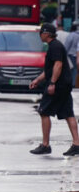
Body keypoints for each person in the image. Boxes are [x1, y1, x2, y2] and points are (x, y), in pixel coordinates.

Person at [29, 22, 79, 156]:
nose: (40, 35)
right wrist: (38, 80)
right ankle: (77, 144)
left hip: (58, 86)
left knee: (44, 111)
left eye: (41, 32)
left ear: (46, 34)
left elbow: (58, 65)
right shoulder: (55, 46)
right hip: (63, 85)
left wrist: (52, 83)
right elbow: (50, 69)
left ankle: (45, 145)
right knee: (68, 113)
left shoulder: (55, 47)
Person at [65, 21, 79, 88]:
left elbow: (67, 45)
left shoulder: (72, 35)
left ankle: (72, 83)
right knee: (76, 70)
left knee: (71, 70)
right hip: (77, 55)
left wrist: (64, 53)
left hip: (71, 55)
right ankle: (75, 83)